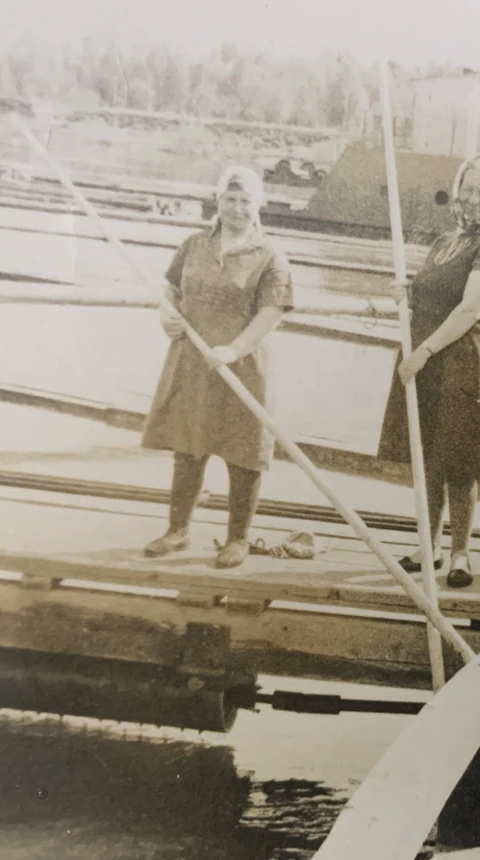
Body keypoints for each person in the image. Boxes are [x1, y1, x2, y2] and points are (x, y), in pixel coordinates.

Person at [140, 165, 294, 569]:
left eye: (245, 201)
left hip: (241, 364)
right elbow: (171, 288)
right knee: (188, 444)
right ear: (218, 200)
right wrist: (166, 312)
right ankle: (177, 531)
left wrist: (234, 349)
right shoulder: (194, 244)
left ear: (258, 205)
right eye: (230, 199)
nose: (237, 208)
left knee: (243, 450)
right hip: (192, 360)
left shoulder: (270, 255)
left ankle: (237, 538)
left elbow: (272, 313)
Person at [377, 154, 480, 589]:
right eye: (468, 189)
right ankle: (429, 545)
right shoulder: (445, 241)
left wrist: (423, 352)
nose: (473, 198)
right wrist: (408, 291)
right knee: (428, 455)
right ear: (457, 191)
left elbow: (469, 309)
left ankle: (460, 554)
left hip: (462, 359)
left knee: (459, 459)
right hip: (429, 356)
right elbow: (432, 293)